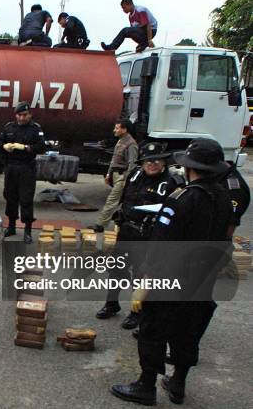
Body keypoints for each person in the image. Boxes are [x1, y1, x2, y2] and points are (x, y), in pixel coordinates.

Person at [111, 138, 232, 406]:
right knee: (188, 331)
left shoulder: (181, 199)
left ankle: (145, 386)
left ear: (190, 168)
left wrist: (143, 286)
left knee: (152, 331)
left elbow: (161, 249)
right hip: (202, 279)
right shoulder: (223, 198)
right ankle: (177, 383)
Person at [96, 142, 184, 329]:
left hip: (149, 236)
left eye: (156, 161)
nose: (152, 164)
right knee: (116, 270)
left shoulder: (173, 182)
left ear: (164, 162)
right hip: (127, 230)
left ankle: (137, 312)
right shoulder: (135, 175)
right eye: (148, 161)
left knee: (141, 274)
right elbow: (125, 198)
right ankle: (111, 303)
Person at [0, 101, 47, 244]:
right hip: (11, 168)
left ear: (30, 115)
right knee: (10, 197)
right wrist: (4, 146)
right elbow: (0, 143)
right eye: (19, 115)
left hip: (27, 168)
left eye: (24, 115)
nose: (21, 118)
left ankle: (27, 230)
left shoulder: (35, 129)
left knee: (26, 199)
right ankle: (12, 226)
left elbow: (42, 147)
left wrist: (26, 147)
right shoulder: (9, 127)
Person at [91, 119, 139, 232]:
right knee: (119, 200)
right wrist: (108, 173)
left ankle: (100, 225)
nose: (114, 130)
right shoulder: (121, 141)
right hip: (116, 174)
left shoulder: (131, 144)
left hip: (123, 176)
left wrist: (127, 180)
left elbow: (132, 164)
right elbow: (114, 160)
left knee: (112, 200)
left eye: (117, 128)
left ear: (125, 129)